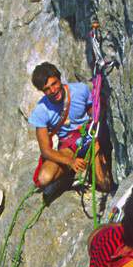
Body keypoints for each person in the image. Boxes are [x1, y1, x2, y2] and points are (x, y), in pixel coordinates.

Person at [28, 61, 111, 198]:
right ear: (42, 91)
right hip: (69, 145)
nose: (53, 90)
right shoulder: (41, 111)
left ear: (59, 79)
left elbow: (93, 111)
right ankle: (69, 173)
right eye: (47, 89)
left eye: (54, 84)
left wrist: (97, 108)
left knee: (104, 184)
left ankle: (89, 166)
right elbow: (46, 151)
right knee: (44, 178)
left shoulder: (80, 90)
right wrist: (70, 162)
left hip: (90, 137)